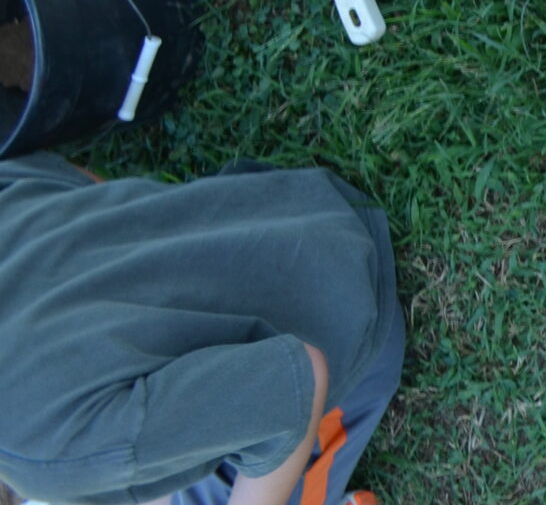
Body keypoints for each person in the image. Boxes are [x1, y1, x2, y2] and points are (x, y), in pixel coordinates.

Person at [0, 154, 405, 505]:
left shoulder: (47, 454)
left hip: (347, 308)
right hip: (277, 206)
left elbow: (296, 384)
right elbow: (77, 182)